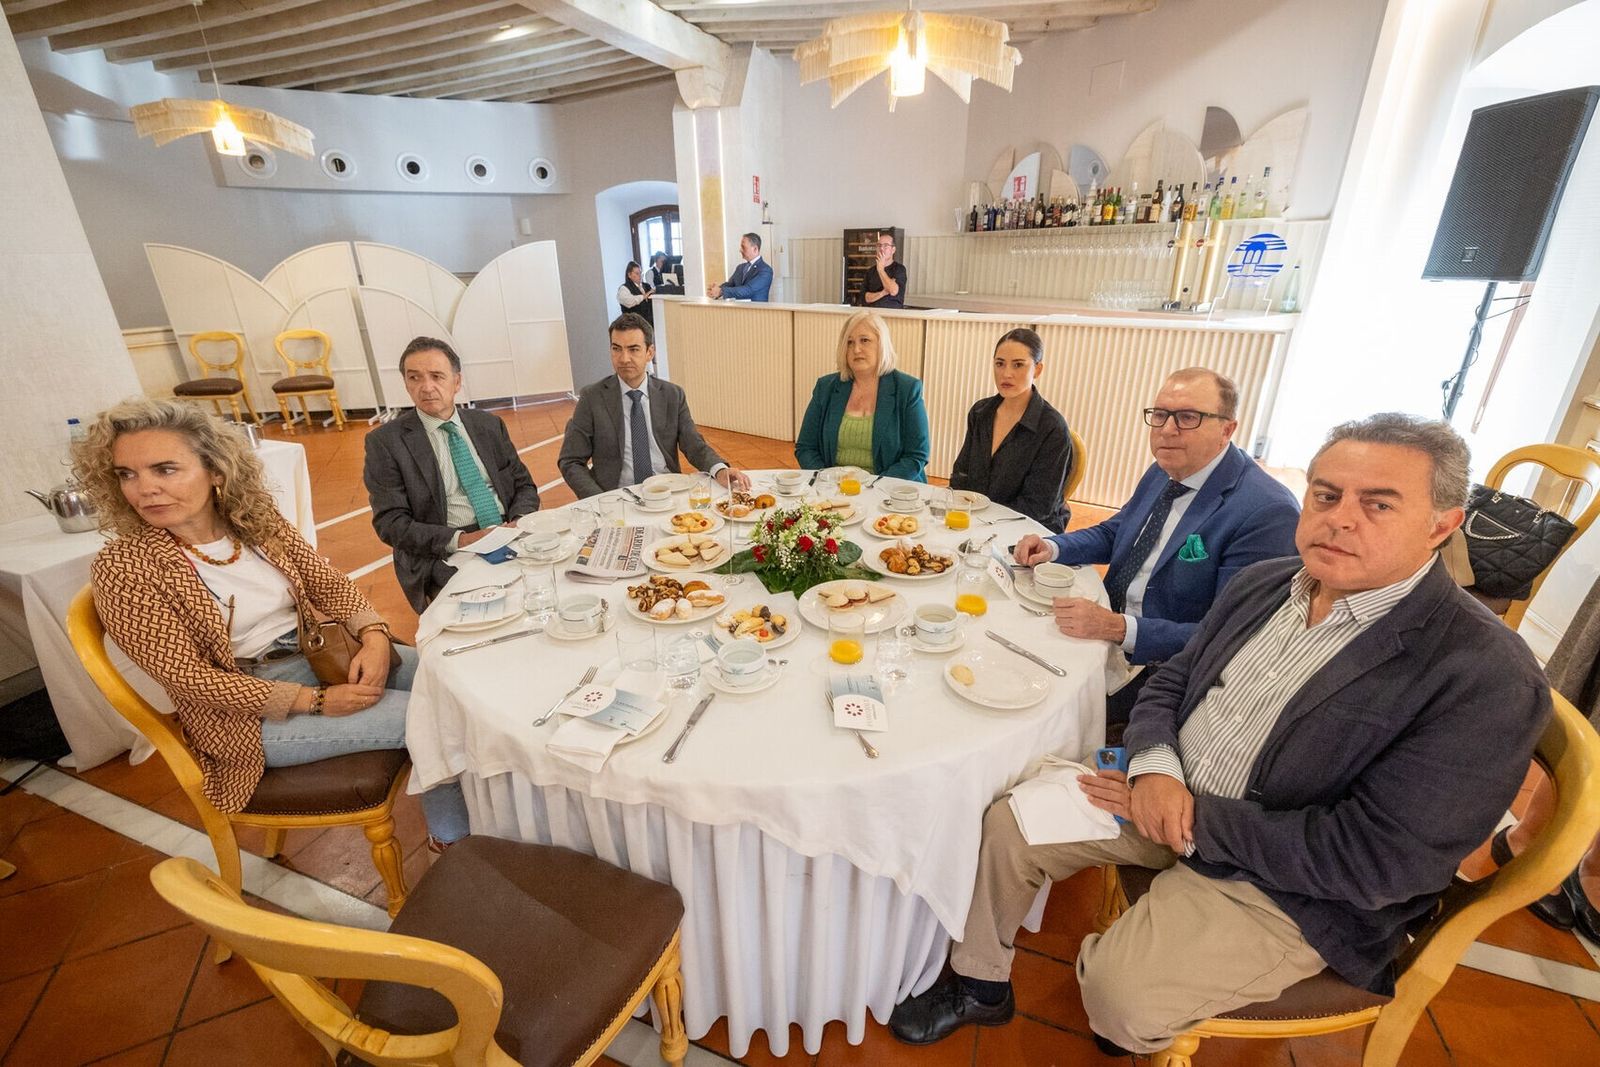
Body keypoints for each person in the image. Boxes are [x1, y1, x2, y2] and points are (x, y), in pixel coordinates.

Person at [889, 413, 1550, 1056]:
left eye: (1378, 505)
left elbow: (1380, 861)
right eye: (1326, 494)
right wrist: (1153, 768)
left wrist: (1196, 818)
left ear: (1441, 525)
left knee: (1119, 995)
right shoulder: (1269, 585)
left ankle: (1127, 992)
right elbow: (1173, 681)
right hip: (1163, 791)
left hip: (1291, 885)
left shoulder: (1483, 674)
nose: (1339, 518)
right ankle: (981, 979)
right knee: (1009, 823)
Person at [78, 398, 470, 846]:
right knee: (432, 719)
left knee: (457, 679)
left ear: (216, 471)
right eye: (126, 474)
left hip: (319, 657)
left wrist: (374, 635)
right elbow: (190, 680)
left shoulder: (252, 521)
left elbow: (327, 582)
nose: (143, 489)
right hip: (243, 718)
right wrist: (316, 701)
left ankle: (478, 816)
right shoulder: (124, 566)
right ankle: (454, 840)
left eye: (164, 470)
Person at [1013, 368, 1298, 723]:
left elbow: (1233, 635)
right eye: (1160, 415)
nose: (1167, 430)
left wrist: (1116, 628)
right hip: (1105, 626)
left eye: (1188, 417)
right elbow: (1118, 532)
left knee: (1030, 702)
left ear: (1227, 429)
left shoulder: (1266, 512)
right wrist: (1053, 547)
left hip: (1161, 670)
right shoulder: (1165, 469)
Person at [364, 337, 541, 613]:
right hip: (446, 550)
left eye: (437, 376)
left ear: (456, 382)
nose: (427, 387)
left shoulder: (488, 425)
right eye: (415, 378)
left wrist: (517, 522)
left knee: (549, 589)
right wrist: (460, 540)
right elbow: (391, 523)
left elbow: (524, 485)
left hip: (507, 532)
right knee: (489, 613)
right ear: (406, 383)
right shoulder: (386, 443)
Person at [558, 312, 751, 499]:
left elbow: (694, 445)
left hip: (668, 492)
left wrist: (719, 470)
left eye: (633, 349)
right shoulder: (592, 398)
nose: (624, 358)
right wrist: (598, 500)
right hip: (618, 497)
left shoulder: (672, 395)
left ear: (650, 352)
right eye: (617, 348)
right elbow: (570, 460)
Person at [949, 328, 1071, 531]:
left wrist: (981, 523)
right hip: (978, 523)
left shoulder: (1053, 428)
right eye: (999, 364)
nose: (1006, 374)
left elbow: (1038, 507)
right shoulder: (980, 412)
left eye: (1018, 365)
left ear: (1038, 370)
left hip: (1028, 533)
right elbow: (961, 474)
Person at [794, 310, 930, 481]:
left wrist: (873, 486)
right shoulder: (826, 387)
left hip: (891, 492)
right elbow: (805, 448)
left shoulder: (907, 388)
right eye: (849, 343)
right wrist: (827, 480)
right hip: (834, 489)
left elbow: (916, 455)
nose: (856, 349)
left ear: (882, 344)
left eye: (864, 340)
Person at [707, 232, 772, 302]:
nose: (740, 250)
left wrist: (721, 291)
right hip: (739, 311)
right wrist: (716, 290)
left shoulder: (766, 270)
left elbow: (748, 290)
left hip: (756, 312)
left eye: (743, 247)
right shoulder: (740, 268)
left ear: (755, 249)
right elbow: (730, 285)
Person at [862, 231, 907, 309]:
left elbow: (893, 291)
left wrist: (881, 270)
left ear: (893, 250)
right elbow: (866, 298)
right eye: (879, 246)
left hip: (892, 314)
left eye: (886, 246)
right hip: (872, 314)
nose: (881, 249)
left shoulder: (899, 269)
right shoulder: (870, 271)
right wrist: (882, 293)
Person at [616, 260, 654, 326]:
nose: (640, 276)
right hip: (633, 326)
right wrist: (644, 296)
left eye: (641, 273)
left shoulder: (647, 286)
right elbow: (630, 302)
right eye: (637, 273)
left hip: (649, 324)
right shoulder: (624, 289)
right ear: (629, 275)